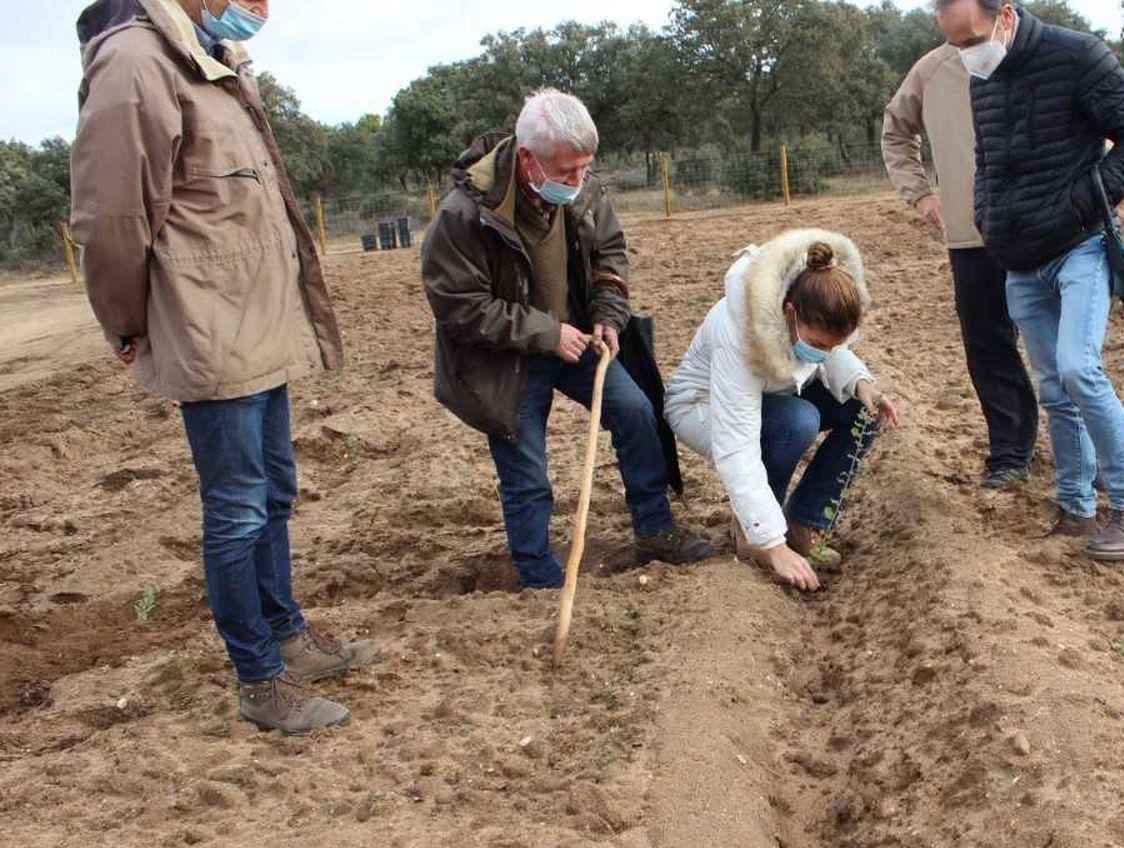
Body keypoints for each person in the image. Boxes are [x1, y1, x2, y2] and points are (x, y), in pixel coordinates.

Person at [71, 0, 379, 735]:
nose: (261, 8)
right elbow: (111, 218)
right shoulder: (137, 64)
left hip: (257, 322)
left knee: (272, 491)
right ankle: (258, 677)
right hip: (209, 327)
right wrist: (125, 321)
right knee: (237, 508)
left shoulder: (217, 59)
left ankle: (287, 636)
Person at [420, 89, 713, 589]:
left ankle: (655, 531)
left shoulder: (584, 189)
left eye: (585, 168)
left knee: (638, 414)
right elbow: (460, 307)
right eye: (566, 173)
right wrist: (545, 332)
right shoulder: (463, 216)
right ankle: (538, 574)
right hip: (506, 360)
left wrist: (606, 312)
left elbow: (610, 255)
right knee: (526, 474)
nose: (578, 182)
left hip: (578, 340)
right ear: (528, 158)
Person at [937, 0, 1124, 561]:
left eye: (972, 41)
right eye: (955, 46)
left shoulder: (1078, 55)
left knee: (1079, 369)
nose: (966, 55)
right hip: (1018, 259)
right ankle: (1076, 508)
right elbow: (987, 160)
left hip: (1079, 248)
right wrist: (989, 218)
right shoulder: (982, 76)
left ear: (1005, 16)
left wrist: (1082, 203)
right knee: (1054, 389)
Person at [665, 231, 901, 592]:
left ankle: (805, 523)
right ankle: (755, 532)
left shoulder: (809, 298)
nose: (824, 352)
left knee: (862, 408)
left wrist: (862, 383)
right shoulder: (740, 332)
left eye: (833, 344)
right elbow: (737, 445)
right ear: (789, 312)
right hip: (702, 405)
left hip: (772, 393)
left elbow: (830, 352)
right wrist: (771, 545)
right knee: (796, 421)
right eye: (818, 344)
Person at [882, 42, 1038, 491]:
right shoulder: (931, 70)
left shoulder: (1037, 52)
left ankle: (1087, 454)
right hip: (971, 237)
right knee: (989, 346)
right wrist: (922, 193)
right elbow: (895, 130)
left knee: (1062, 351)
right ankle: (1010, 452)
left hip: (1043, 231)